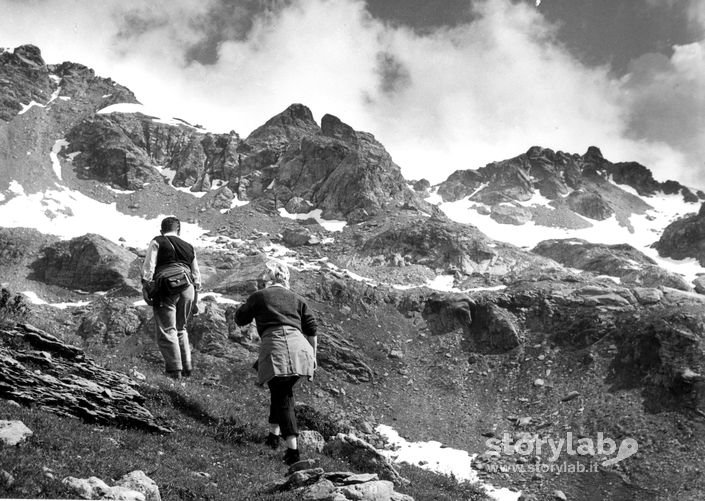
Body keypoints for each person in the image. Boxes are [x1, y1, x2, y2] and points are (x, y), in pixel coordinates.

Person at [234, 260, 317, 465]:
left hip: (277, 347)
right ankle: (272, 437)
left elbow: (240, 319)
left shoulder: (260, 296)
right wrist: (313, 358)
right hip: (302, 350)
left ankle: (292, 451)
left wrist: (248, 304)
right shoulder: (297, 299)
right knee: (280, 390)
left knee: (283, 395)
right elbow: (312, 331)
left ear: (268, 277)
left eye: (264, 275)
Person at [141, 216, 201, 379]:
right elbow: (196, 274)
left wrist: (146, 285)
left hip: (166, 287)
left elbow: (149, 265)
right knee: (181, 328)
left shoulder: (157, 241)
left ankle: (174, 371)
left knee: (168, 329)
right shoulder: (189, 247)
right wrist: (195, 299)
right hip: (188, 287)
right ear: (179, 230)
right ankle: (187, 368)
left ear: (162, 230)